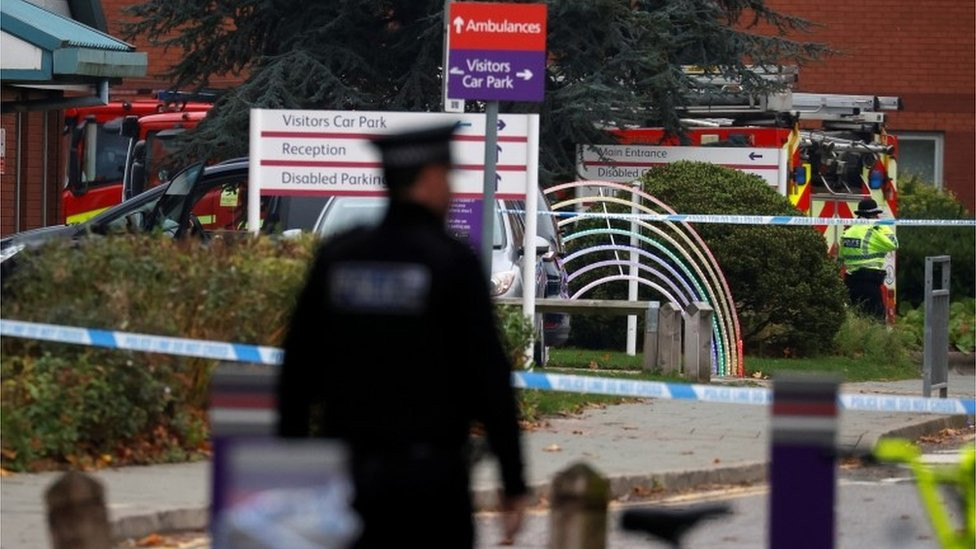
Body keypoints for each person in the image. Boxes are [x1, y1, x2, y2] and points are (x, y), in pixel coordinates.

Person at [277, 124, 528, 548]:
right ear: (429, 179)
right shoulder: (451, 263)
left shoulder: (340, 257)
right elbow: (489, 379)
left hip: (348, 479)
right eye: (448, 177)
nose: (451, 190)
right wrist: (513, 482)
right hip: (431, 485)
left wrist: (296, 474)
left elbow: (297, 372)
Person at [840, 198, 898, 321]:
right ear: (873, 215)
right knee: (876, 319)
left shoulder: (849, 230)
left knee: (856, 318)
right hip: (869, 282)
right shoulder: (873, 231)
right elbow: (894, 244)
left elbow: (842, 254)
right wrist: (882, 226)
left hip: (851, 281)